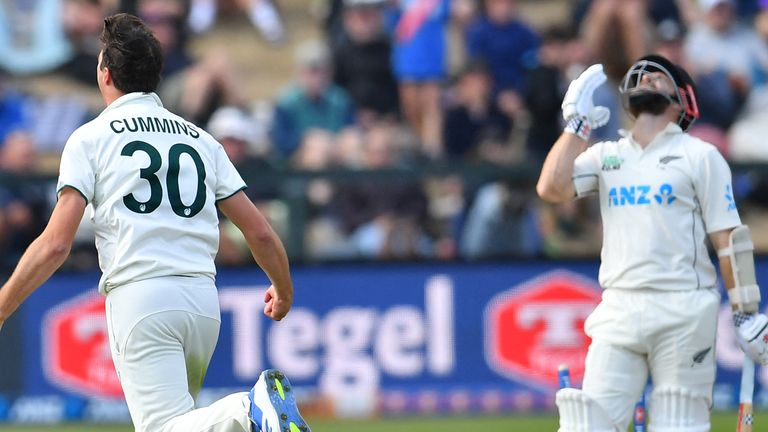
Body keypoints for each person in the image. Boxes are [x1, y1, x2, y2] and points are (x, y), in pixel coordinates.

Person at [0, 13, 309, 432]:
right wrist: (284, 288)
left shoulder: (90, 138)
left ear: (105, 73)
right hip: (202, 302)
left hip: (142, 298)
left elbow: (56, 244)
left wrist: (3, 304)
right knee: (187, 424)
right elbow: (258, 231)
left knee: (162, 428)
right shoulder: (200, 139)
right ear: (156, 75)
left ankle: (248, 408)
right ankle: (248, 415)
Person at [536, 54, 768, 431]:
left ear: (682, 102)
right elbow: (551, 188)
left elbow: (729, 239)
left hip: (683, 309)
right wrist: (575, 126)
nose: (646, 79)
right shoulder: (607, 155)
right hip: (619, 309)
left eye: (659, 78)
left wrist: (745, 312)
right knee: (586, 425)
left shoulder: (700, 156)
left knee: (680, 424)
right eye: (640, 76)